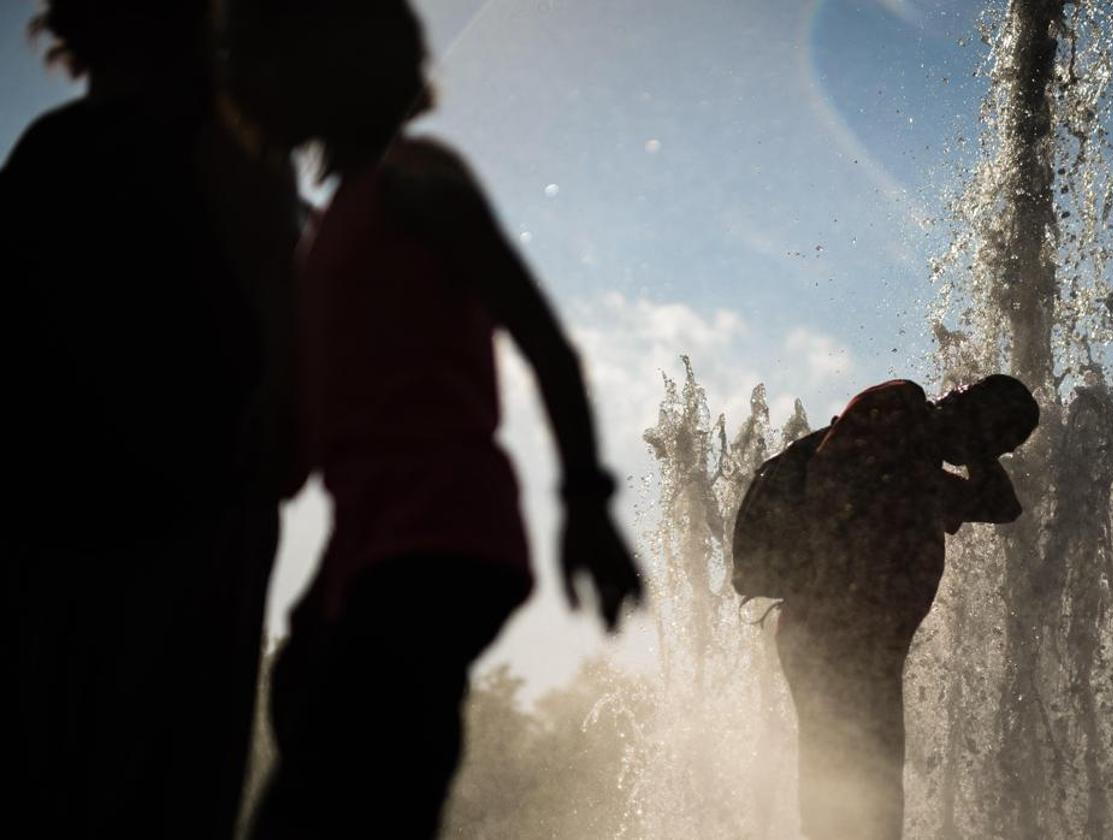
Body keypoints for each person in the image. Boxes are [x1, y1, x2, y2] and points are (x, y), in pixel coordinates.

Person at [222, 2, 644, 837]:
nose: (243, 80)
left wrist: (587, 500)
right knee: (328, 730)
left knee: (349, 787)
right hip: (368, 551)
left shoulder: (416, 179)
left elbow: (543, 340)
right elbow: (293, 457)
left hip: (439, 538)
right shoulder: (323, 230)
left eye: (264, 58)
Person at [1, 3, 299, 837]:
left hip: (83, 532)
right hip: (178, 529)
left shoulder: (52, 155)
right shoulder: (229, 148)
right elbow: (284, 332)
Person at [771, 376, 1037, 840]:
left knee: (874, 776)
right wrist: (939, 468)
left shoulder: (926, 468)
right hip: (829, 630)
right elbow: (832, 475)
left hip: (871, 647)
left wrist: (975, 450)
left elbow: (1003, 505)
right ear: (972, 407)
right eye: (997, 436)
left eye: (1002, 447)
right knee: (842, 767)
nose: (992, 451)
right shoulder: (900, 403)